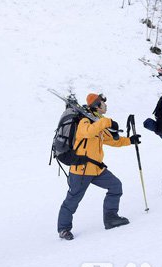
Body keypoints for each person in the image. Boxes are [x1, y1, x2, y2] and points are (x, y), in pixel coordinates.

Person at [57, 93, 141, 240]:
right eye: (103, 103)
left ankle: (111, 218)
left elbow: (111, 140)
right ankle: (63, 229)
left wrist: (130, 140)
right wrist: (107, 122)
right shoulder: (84, 121)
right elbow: (87, 132)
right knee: (73, 199)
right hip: (82, 170)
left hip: (96, 169)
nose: (106, 105)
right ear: (97, 105)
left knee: (115, 186)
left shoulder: (96, 122)